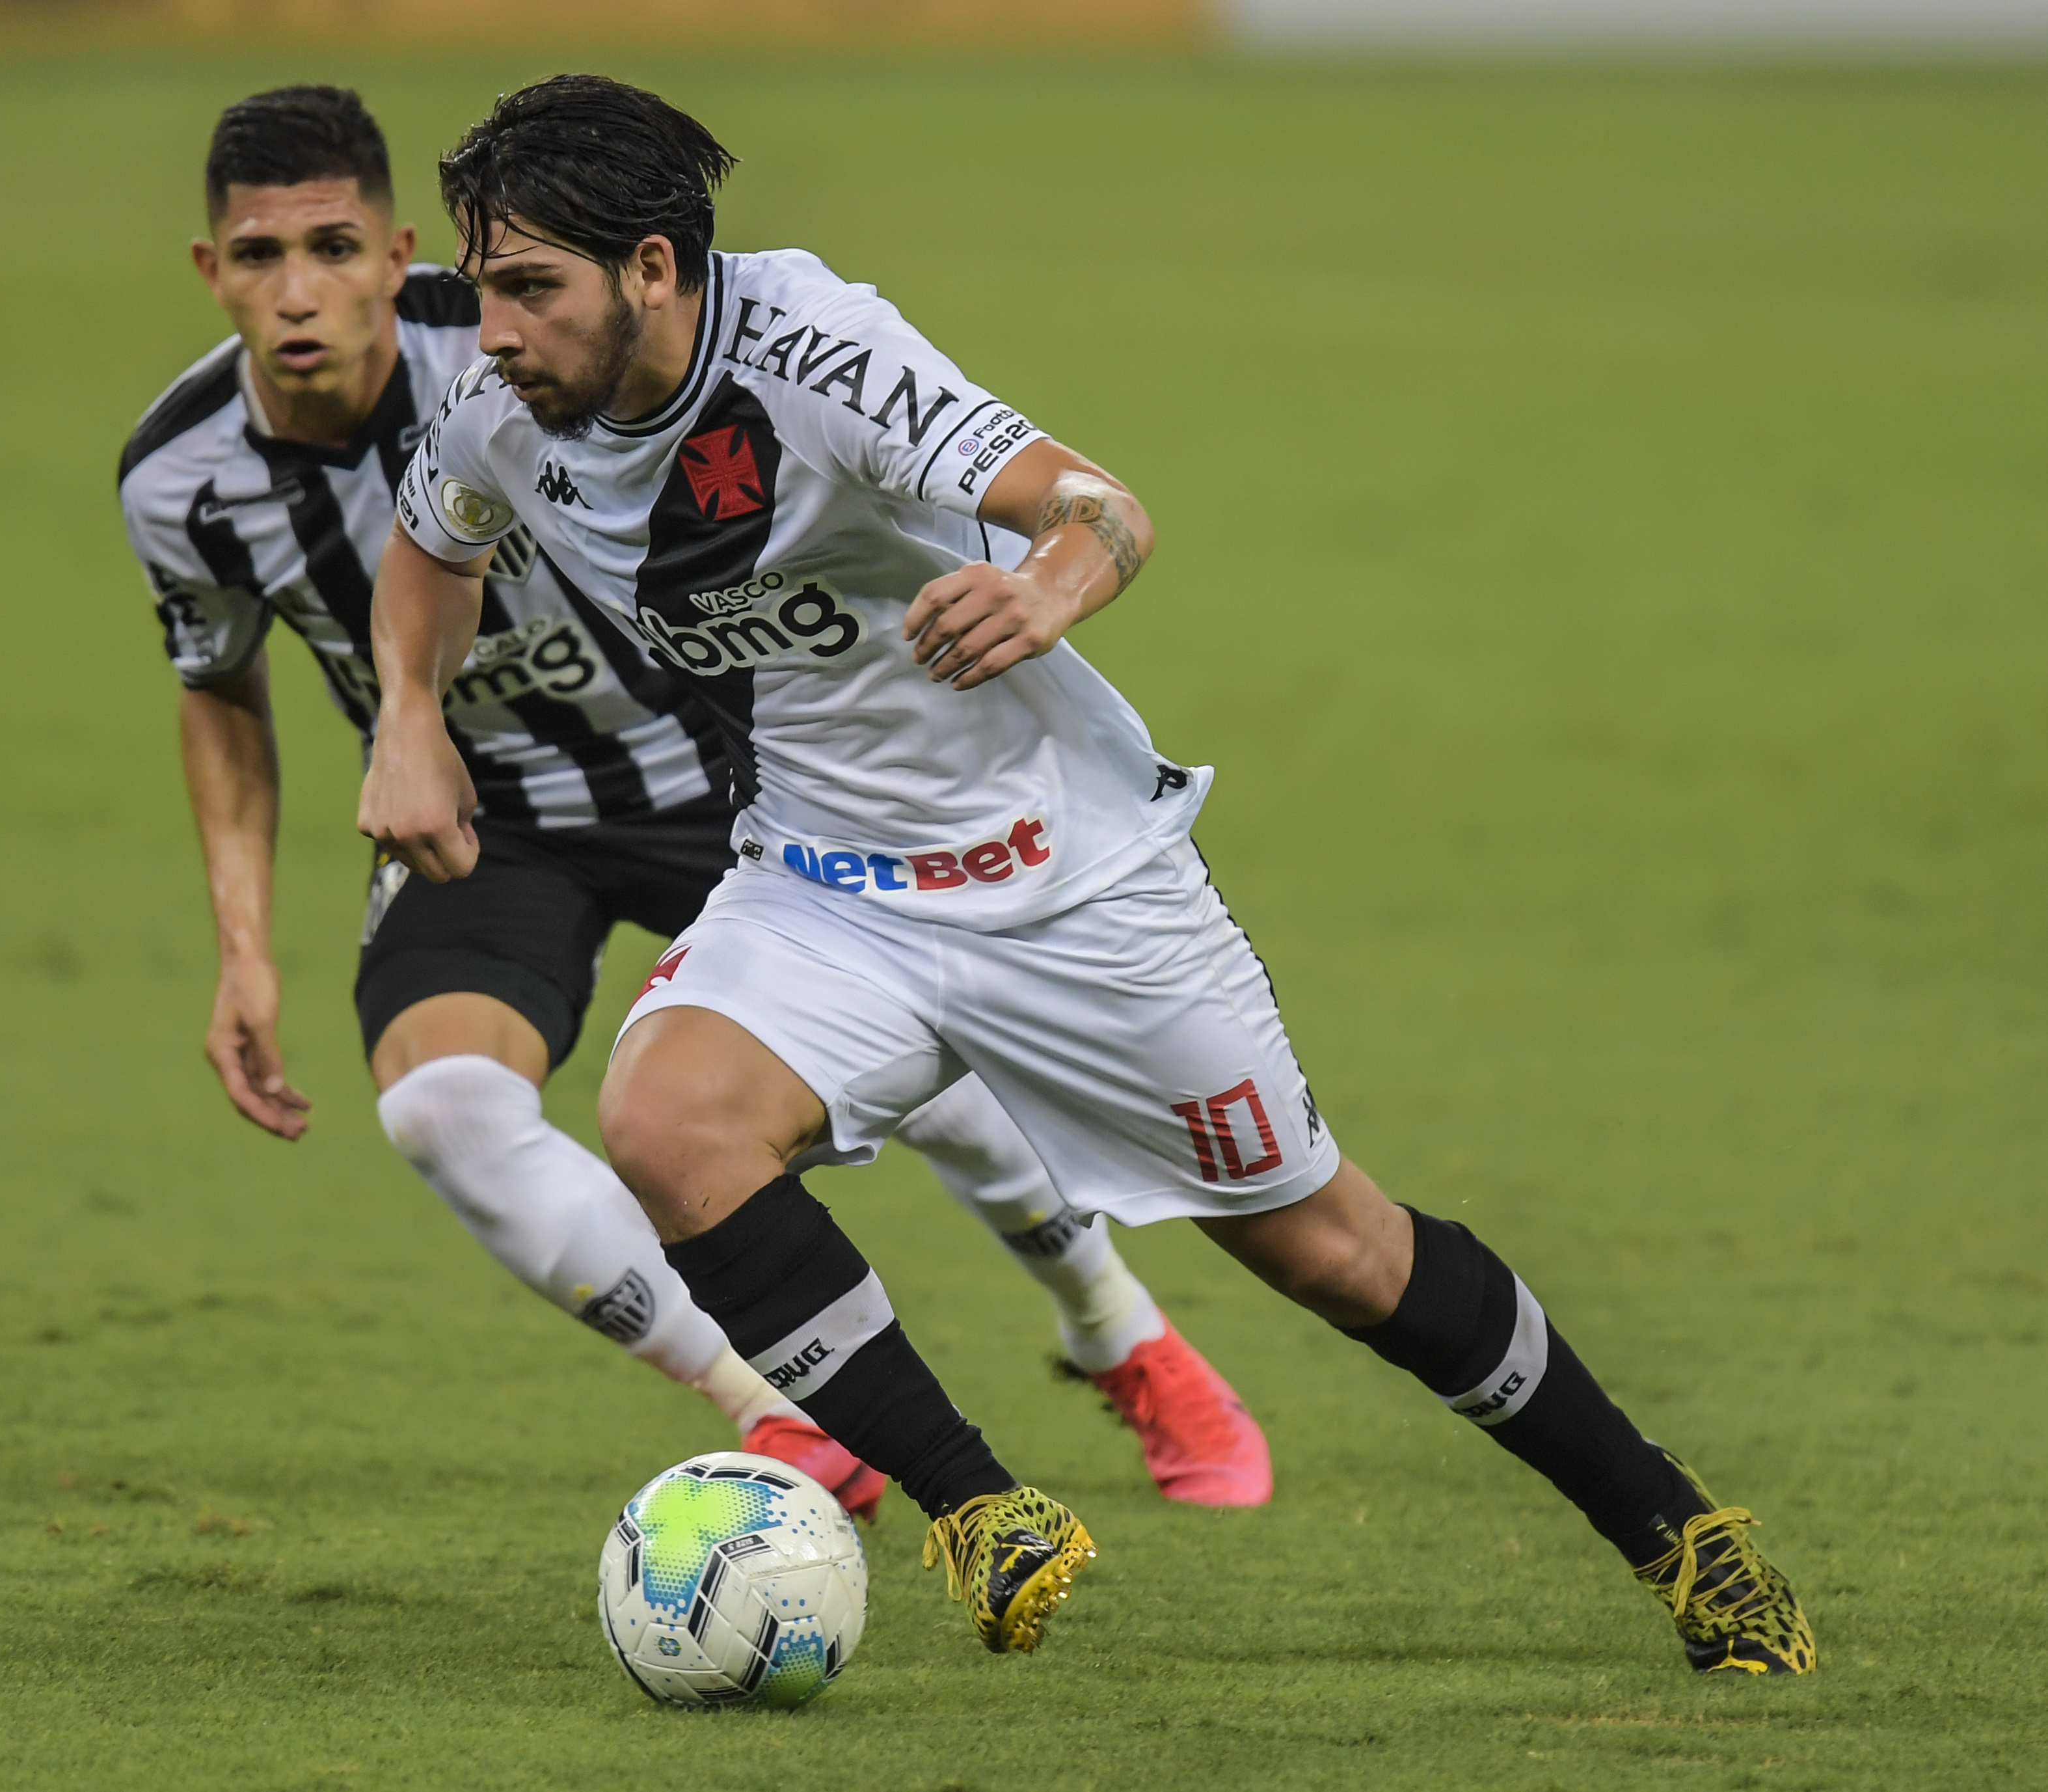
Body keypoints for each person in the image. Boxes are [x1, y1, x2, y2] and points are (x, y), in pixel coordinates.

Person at [360, 73, 1816, 1673]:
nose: (488, 329)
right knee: (662, 1118)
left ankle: (1678, 1532)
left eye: (527, 289)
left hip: (1064, 881)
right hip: (821, 888)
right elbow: (438, 538)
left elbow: (1093, 503)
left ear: (653, 269)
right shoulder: (506, 402)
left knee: (1327, 1248)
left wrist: (1051, 583)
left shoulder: (814, 359)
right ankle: (978, 1510)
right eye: (485, 286)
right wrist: (410, 722)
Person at [115, 85, 1274, 1522]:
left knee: (939, 1076)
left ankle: (1120, 1334)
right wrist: (249, 934)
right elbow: (217, 692)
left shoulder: (513, 332)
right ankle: (778, 1412)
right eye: (257, 257)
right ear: (207, 269)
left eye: (335, 249)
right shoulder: (179, 481)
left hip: (702, 767)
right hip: (486, 817)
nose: (299, 294)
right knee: (444, 1112)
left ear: (397, 252)